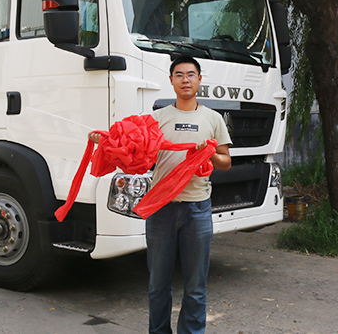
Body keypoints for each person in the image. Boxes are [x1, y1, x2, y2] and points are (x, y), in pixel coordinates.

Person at [89, 56, 232, 334]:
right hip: (161, 208)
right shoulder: (157, 118)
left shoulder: (213, 119)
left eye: (191, 75)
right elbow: (132, 146)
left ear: (199, 80)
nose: (185, 80)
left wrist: (210, 152)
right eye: (179, 75)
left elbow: (226, 162)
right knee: (158, 285)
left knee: (195, 287)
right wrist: (106, 141)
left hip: (197, 210)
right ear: (171, 81)